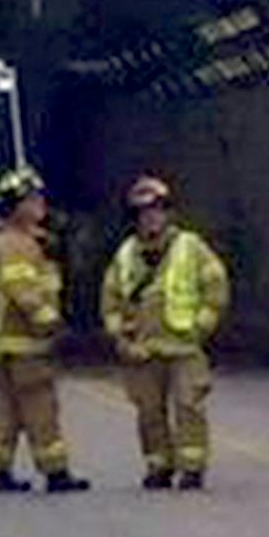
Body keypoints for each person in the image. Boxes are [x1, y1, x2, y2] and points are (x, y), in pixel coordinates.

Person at [101, 175, 230, 491]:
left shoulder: (190, 247)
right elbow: (110, 301)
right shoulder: (126, 255)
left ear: (168, 212)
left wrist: (201, 327)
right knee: (149, 412)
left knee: (189, 405)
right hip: (143, 350)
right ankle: (158, 465)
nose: (151, 217)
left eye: (157, 210)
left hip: (184, 347)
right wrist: (121, 339)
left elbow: (216, 287)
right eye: (144, 212)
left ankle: (192, 467)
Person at [0, 165, 91, 495]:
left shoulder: (27, 242)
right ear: (17, 206)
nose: (41, 203)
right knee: (41, 407)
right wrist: (50, 324)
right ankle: (56, 472)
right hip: (26, 344)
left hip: (10, 344)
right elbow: (23, 292)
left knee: (10, 408)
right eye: (33, 198)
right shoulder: (16, 244)